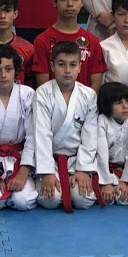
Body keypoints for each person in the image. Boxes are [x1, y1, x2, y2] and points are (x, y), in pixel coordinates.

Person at [34, 41, 99, 212]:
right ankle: (52, 180)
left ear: (80, 67)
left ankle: (73, 180)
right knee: (51, 200)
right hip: (51, 160)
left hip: (76, 160)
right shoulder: (42, 93)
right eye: (62, 64)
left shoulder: (89, 95)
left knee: (83, 200)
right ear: (52, 66)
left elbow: (90, 135)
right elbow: (41, 134)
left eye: (73, 65)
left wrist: (83, 169)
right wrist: (47, 172)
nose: (68, 70)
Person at [0, 44, 38, 210]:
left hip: (20, 158)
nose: (3, 75)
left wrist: (23, 174)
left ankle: (20, 186)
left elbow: (32, 137)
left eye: (8, 69)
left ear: (16, 70)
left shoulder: (27, 95)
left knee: (22, 201)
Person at [31, 0, 106, 91]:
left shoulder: (93, 42)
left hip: (85, 102)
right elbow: (43, 87)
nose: (70, 4)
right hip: (52, 101)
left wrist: (86, 102)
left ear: (82, 2)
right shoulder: (42, 41)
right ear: (54, 2)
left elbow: (95, 84)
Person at [94, 82, 128, 207]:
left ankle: (121, 184)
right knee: (105, 198)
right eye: (118, 103)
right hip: (102, 168)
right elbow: (101, 153)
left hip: (124, 169)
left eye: (127, 101)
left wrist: (126, 181)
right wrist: (105, 182)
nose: (125, 106)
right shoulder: (102, 120)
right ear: (107, 105)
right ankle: (105, 184)